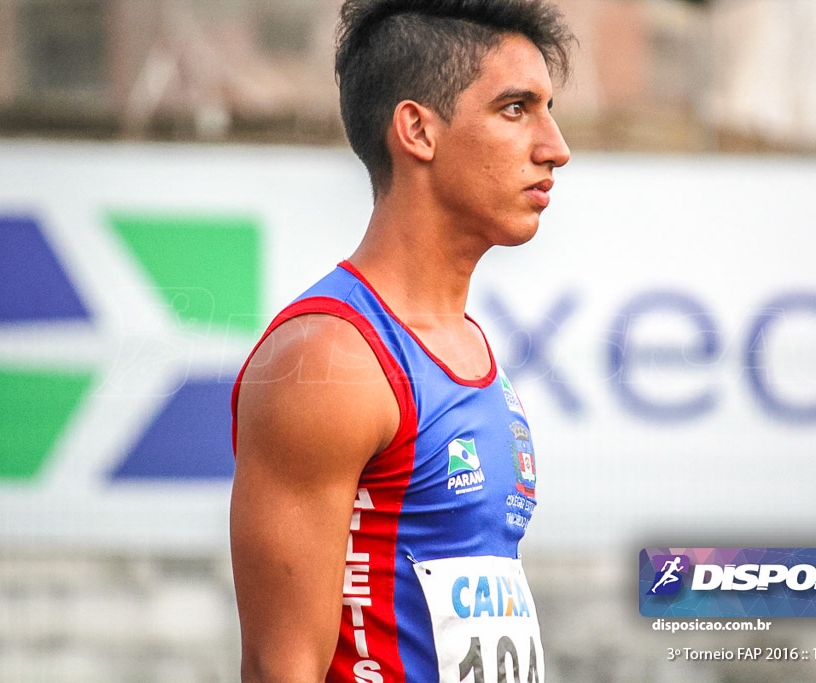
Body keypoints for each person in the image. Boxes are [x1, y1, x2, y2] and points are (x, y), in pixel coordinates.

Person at [230, 1, 573, 680]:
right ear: (417, 129)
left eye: (548, 108)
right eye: (515, 108)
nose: (555, 147)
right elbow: (281, 668)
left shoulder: (467, 344)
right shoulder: (331, 357)